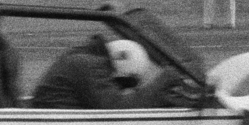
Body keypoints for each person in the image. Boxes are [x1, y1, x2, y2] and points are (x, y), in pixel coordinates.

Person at [30, 35, 199, 109]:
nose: (121, 89)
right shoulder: (90, 65)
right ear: (120, 69)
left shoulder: (83, 58)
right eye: (125, 84)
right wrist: (164, 79)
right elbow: (118, 109)